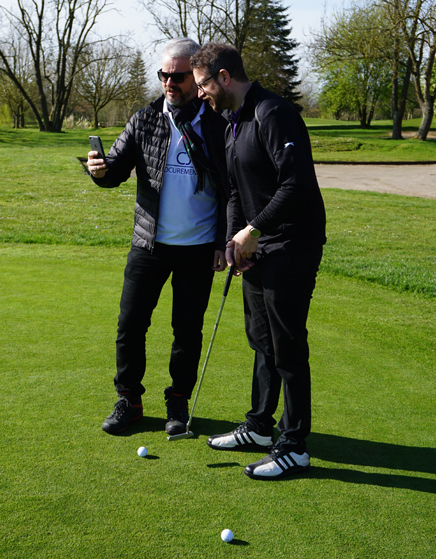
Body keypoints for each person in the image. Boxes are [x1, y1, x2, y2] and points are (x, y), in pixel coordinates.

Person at [190, 43, 327, 480]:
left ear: (225, 77)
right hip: (258, 246)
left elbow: (296, 186)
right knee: (261, 339)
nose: (200, 95)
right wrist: (235, 238)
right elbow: (234, 191)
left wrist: (254, 231)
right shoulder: (231, 124)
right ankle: (260, 427)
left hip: (292, 245)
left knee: (287, 345)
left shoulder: (273, 114)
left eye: (204, 85)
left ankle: (295, 445)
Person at [86, 38, 228, 437]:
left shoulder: (217, 125)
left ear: (197, 78)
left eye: (178, 76)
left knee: (187, 331)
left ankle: (178, 404)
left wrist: (223, 240)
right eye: (164, 74)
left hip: (198, 250)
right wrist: (99, 171)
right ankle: (129, 401)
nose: (169, 82)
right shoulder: (144, 119)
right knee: (130, 325)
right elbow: (115, 169)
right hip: (149, 244)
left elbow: (231, 189)